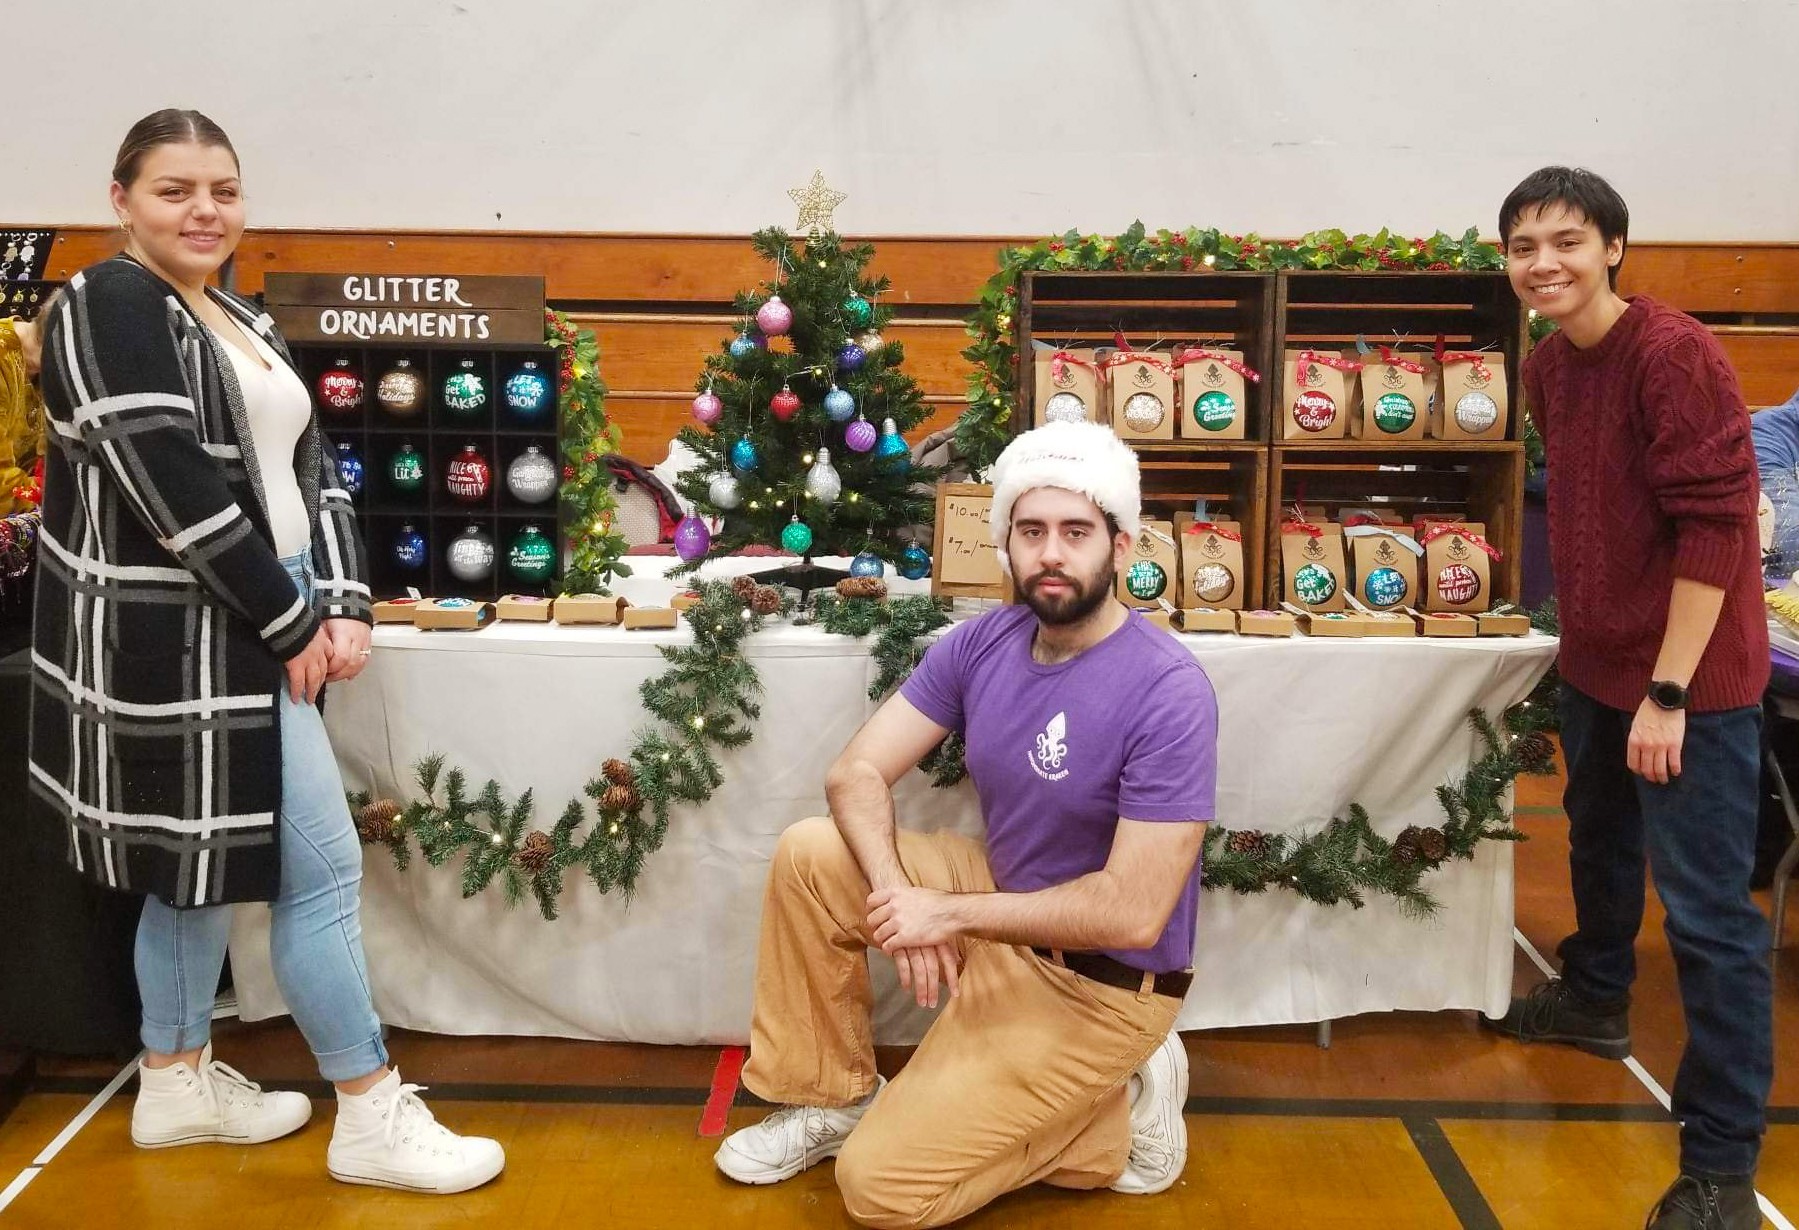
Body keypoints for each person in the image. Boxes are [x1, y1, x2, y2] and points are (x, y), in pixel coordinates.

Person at [29, 109, 503, 1194]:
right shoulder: (108, 302)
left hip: (263, 606)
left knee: (194, 878)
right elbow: (171, 488)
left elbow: (313, 468)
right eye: (175, 190)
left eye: (224, 190)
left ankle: (174, 1086)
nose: (205, 210)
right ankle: (369, 1111)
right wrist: (287, 620)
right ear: (121, 201)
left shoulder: (237, 312)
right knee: (322, 871)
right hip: (184, 636)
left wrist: (343, 599)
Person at [714, 420, 1216, 1227]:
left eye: (1076, 532)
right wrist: (899, 900)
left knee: (881, 1192)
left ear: (1120, 547)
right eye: (1031, 531)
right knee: (813, 854)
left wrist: (944, 914)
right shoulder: (984, 641)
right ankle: (833, 1098)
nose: (1051, 553)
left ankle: (1111, 1117)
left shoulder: (1168, 690)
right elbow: (855, 773)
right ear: (1006, 545)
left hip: (1099, 982)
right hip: (1003, 906)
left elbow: (1130, 912)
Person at [1485, 166, 1770, 1230]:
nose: (1542, 263)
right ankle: (1595, 998)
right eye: (1522, 246)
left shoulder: (1674, 353)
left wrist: (1668, 692)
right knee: (1598, 849)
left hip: (1689, 684)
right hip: (1597, 668)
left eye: (1565, 241)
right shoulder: (1548, 366)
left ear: (1612, 247)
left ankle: (1720, 1166)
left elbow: (1715, 528)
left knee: (1705, 919)